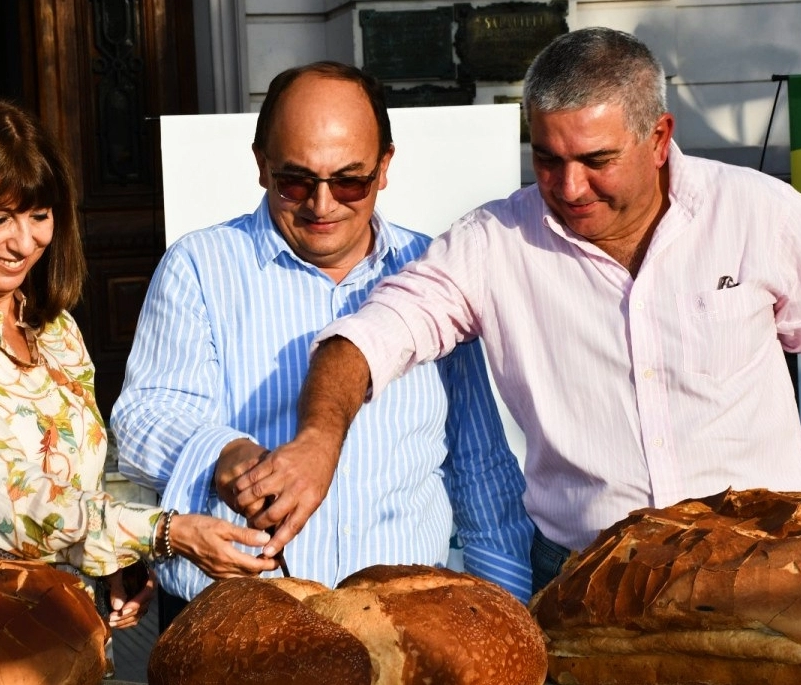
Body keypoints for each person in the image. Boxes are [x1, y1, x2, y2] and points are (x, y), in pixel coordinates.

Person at [230, 28, 801, 594]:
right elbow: (367, 339)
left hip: (759, 563)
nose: (569, 187)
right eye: (547, 159)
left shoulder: (761, 214)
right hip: (584, 575)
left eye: (596, 160)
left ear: (658, 137)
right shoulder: (494, 244)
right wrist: (319, 441)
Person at [110, 61, 533, 628]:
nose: (323, 204)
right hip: (237, 621)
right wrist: (224, 453)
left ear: (385, 167)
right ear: (260, 165)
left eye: (349, 181)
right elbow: (142, 416)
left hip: (401, 620)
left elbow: (479, 466)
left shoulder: (431, 272)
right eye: (296, 181)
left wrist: (509, 616)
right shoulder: (201, 266)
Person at [0, 98, 277, 628]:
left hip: (56, 628)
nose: (24, 242)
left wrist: (117, 564)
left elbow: (82, 478)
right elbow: (1, 492)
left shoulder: (55, 329)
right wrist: (162, 532)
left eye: (39, 216)